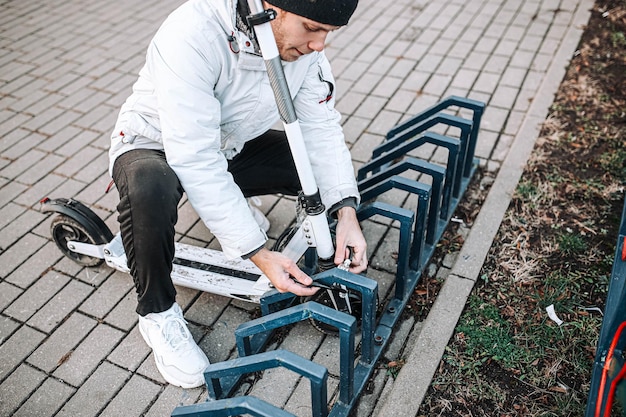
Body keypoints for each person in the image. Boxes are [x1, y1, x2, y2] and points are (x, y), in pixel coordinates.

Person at [108, 0, 367, 388]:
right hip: (153, 143)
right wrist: (256, 251)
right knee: (152, 188)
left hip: (228, 144)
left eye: (329, 33)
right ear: (271, 6)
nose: (320, 45)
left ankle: (236, 205)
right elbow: (193, 154)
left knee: (309, 165)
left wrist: (345, 211)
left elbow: (321, 129)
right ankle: (157, 315)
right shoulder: (193, 32)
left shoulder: (301, 50)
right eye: (312, 28)